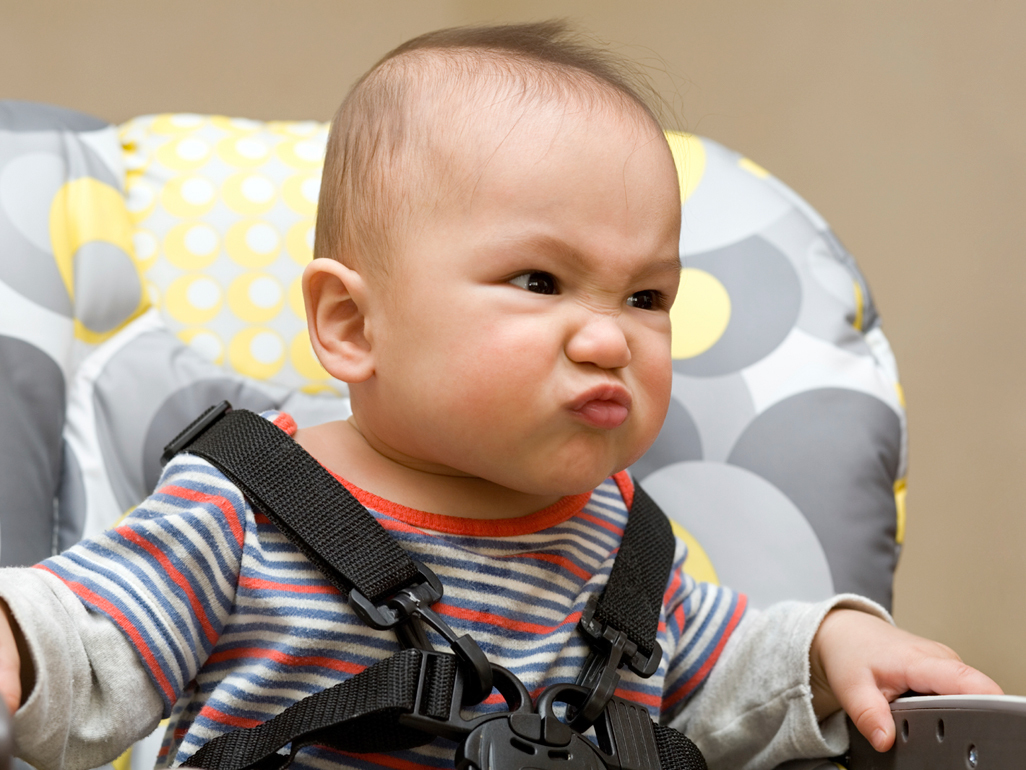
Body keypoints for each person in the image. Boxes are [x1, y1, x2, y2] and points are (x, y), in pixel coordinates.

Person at [0, 21, 1002, 770]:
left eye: (648, 295)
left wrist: (832, 646)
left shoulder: (623, 550)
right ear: (351, 325)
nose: (610, 334)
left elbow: (730, 674)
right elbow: (88, 641)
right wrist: (15, 637)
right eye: (539, 281)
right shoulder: (242, 510)